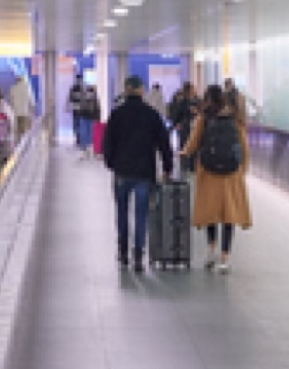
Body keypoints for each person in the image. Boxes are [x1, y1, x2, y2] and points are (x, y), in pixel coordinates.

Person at [101, 75, 176, 271]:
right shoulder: (151, 114)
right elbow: (164, 143)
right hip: (144, 172)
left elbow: (107, 143)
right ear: (142, 91)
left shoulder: (117, 114)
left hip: (122, 172)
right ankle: (138, 255)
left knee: (122, 213)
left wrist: (111, 163)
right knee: (141, 214)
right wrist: (168, 166)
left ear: (126, 90)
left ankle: (123, 252)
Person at [183, 84, 253, 273]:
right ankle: (225, 258)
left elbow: (193, 143)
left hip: (208, 173)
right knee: (228, 215)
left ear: (206, 99)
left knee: (210, 213)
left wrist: (184, 152)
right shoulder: (235, 119)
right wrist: (243, 169)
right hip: (231, 174)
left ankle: (211, 250)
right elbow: (244, 147)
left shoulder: (203, 119)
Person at [69, 73, 101, 156]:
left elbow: (97, 108)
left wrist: (97, 117)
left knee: (89, 133)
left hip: (88, 116)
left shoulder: (93, 99)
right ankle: (84, 148)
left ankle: (88, 148)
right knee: (83, 131)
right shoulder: (75, 89)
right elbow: (72, 100)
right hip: (83, 115)